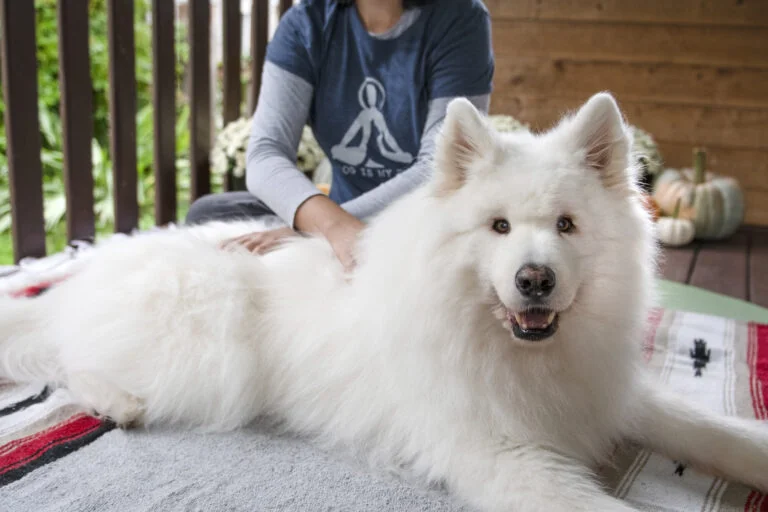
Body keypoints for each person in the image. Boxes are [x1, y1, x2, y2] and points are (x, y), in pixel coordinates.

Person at [186, 0, 494, 270]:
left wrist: (315, 228)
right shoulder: (306, 25)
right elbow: (267, 151)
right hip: (340, 210)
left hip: (420, 214)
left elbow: (436, 167)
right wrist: (328, 224)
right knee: (209, 213)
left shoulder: (461, 17)